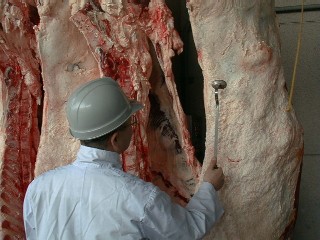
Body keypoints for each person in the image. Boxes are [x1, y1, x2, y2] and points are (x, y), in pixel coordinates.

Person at [23, 77, 225, 240]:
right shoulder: (139, 198)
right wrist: (209, 187)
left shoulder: (38, 188)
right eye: (131, 124)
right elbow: (187, 230)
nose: (133, 128)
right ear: (116, 139)